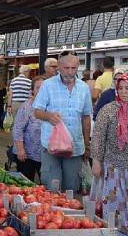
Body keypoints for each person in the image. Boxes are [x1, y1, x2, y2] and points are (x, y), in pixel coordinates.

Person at [92, 73, 128, 236]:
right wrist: (96, 161)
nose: (123, 92)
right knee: (114, 204)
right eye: (120, 88)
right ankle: (113, 234)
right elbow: (98, 137)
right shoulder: (108, 110)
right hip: (113, 167)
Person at [33, 52, 92, 191]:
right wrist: (48, 116)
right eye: (66, 68)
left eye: (73, 68)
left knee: (71, 187)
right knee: (52, 186)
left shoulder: (83, 88)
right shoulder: (47, 85)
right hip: (51, 146)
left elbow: (86, 117)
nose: (70, 72)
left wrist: (87, 144)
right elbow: (36, 111)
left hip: (75, 147)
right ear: (59, 67)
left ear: (78, 67)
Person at [13, 77, 45, 182]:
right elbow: (18, 129)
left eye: (44, 88)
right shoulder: (26, 107)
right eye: (38, 87)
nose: (41, 90)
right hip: (27, 155)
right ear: (32, 91)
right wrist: (20, 149)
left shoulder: (51, 106)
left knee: (45, 186)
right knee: (27, 184)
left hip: (45, 155)